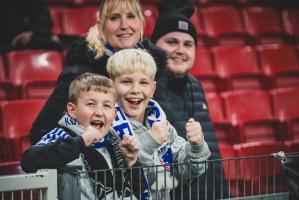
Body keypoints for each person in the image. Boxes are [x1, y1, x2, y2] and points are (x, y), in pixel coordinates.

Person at [29, 0, 167, 145]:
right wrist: (91, 153)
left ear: (142, 22)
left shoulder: (152, 69)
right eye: (114, 18)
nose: (124, 25)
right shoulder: (79, 74)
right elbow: (40, 133)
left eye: (131, 16)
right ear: (101, 25)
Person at [106, 48, 211, 199]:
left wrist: (197, 147)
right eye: (126, 82)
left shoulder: (160, 122)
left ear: (153, 88)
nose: (136, 90)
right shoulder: (104, 128)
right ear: (111, 85)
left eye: (143, 82)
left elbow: (186, 171)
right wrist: (150, 141)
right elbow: (117, 181)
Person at [21, 73, 146, 199]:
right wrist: (81, 141)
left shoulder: (115, 142)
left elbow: (138, 191)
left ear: (114, 115)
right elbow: (28, 161)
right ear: (72, 110)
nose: (99, 112)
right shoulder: (61, 136)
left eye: (107, 106)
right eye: (91, 104)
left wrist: (132, 162)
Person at [150, 0, 230, 199]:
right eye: (171, 42)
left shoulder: (195, 84)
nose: (180, 50)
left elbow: (210, 146)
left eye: (188, 44)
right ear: (154, 46)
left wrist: (222, 191)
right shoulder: (145, 87)